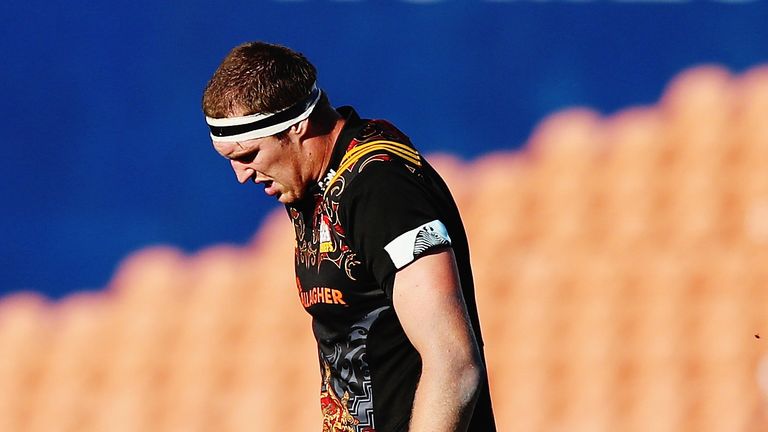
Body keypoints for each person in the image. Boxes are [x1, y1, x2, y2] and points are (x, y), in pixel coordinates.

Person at [202, 41, 496, 432]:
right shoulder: (310, 178)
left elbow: (454, 364)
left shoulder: (381, 187)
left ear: (297, 126)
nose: (241, 176)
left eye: (248, 155)